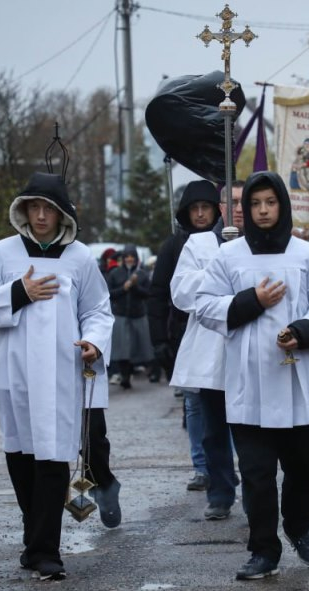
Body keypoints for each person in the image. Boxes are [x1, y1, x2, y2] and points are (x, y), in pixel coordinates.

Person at [0, 172, 119, 581]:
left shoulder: (80, 258)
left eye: (48, 209)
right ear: (23, 210)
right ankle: (34, 537)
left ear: (62, 213)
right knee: (21, 457)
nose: (40, 216)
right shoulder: (2, 254)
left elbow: (98, 310)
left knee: (54, 457)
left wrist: (93, 341)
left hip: (61, 373)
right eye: (33, 207)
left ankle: (46, 550)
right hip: (14, 373)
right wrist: (19, 292)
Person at [196, 171, 309, 580]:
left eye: (270, 202)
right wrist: (252, 301)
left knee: (303, 467)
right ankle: (264, 549)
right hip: (251, 382)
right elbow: (205, 306)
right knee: (258, 474)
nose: (263, 210)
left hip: (298, 380)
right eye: (256, 204)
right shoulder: (228, 256)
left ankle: (299, 529)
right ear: (246, 210)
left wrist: (304, 331)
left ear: (283, 205)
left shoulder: (308, 254)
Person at [170, 181, 244, 520]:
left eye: (247, 201)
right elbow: (182, 292)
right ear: (220, 207)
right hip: (212, 350)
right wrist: (220, 275)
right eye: (231, 202)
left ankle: (259, 490)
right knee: (215, 427)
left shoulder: (271, 245)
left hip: (253, 350)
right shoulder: (199, 243)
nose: (239, 209)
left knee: (253, 429)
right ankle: (220, 492)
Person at [148, 180, 223, 491]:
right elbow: (158, 293)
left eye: (206, 207)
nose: (201, 214)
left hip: (219, 331)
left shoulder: (227, 242)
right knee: (192, 403)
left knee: (223, 403)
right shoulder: (175, 245)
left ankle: (224, 463)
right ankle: (201, 466)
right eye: (195, 209)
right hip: (183, 332)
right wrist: (158, 340)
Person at [106, 245, 154, 389]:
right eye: (126, 256)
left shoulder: (142, 274)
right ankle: (125, 376)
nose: (129, 259)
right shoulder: (115, 273)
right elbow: (109, 294)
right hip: (120, 315)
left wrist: (135, 286)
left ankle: (145, 371)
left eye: (132, 256)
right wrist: (124, 288)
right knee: (122, 349)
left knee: (139, 348)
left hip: (137, 315)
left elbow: (147, 294)